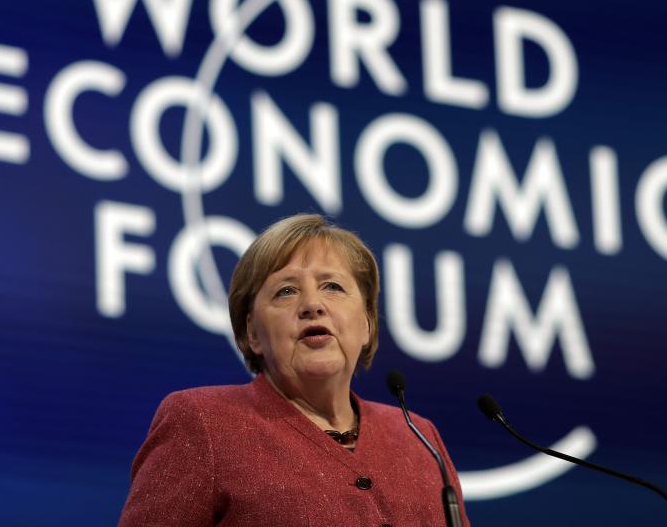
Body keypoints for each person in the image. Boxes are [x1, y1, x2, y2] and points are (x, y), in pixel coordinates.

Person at [118, 214, 469, 526]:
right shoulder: (205, 422)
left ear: (366, 324)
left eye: (332, 287)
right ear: (252, 333)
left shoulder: (420, 439)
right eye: (286, 291)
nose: (313, 305)